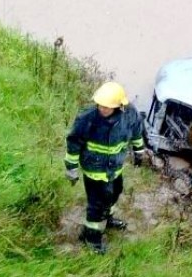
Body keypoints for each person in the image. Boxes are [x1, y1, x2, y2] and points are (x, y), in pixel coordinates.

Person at [64, 81, 146, 254]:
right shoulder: (87, 118)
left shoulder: (130, 114)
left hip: (115, 168)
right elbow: (74, 142)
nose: (102, 109)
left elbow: (137, 132)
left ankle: (107, 220)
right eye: (100, 105)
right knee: (97, 205)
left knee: (115, 193)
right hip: (94, 171)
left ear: (119, 105)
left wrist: (139, 152)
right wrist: (71, 167)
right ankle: (91, 237)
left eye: (107, 107)